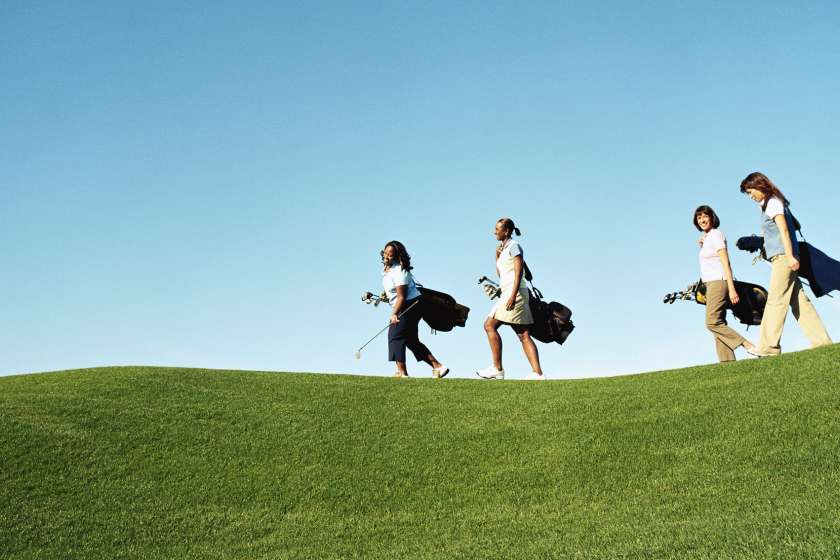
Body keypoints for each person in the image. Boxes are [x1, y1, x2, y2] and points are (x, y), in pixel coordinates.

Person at [739, 172, 832, 356]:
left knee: (775, 300)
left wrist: (790, 256)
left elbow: (784, 231)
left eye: (750, 192)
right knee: (799, 301)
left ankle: (769, 346)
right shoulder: (768, 203)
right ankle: (822, 342)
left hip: (784, 257)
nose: (751, 197)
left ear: (759, 185)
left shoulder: (773, 202)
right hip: (781, 257)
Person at [476, 219, 545, 381]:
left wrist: (513, 295)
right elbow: (502, 274)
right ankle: (537, 373)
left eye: (497, 229)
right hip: (508, 292)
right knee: (522, 334)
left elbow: (519, 272)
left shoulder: (514, 246)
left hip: (516, 293)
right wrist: (497, 256)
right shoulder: (504, 248)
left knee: (491, 325)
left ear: (506, 231)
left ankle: (499, 369)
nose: (494, 232)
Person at [693, 205, 757, 361]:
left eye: (705, 216)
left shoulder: (716, 235)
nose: (702, 220)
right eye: (699, 217)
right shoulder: (708, 238)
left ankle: (749, 346)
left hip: (718, 281)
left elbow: (725, 262)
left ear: (712, 217)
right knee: (719, 323)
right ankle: (727, 361)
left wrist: (731, 288)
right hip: (710, 284)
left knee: (712, 322)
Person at [381, 241, 449, 378]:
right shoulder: (388, 271)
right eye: (385, 253)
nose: (386, 256)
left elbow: (402, 296)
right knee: (411, 340)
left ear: (396, 256)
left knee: (395, 336)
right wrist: (387, 296)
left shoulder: (399, 270)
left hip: (411, 304)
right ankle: (439, 367)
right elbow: (395, 293)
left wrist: (394, 313)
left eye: (390, 254)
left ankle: (402, 373)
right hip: (410, 304)